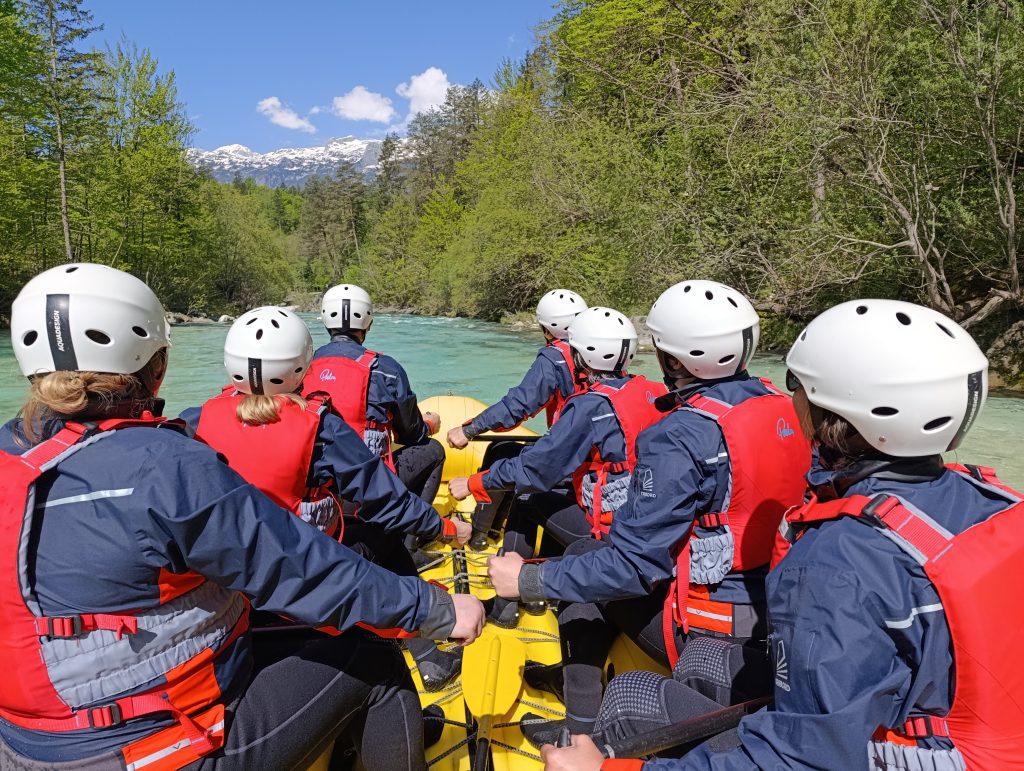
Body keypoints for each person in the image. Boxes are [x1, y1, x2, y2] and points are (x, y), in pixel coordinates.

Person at [0, 264, 485, 771]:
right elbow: (306, 570)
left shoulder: (26, 454)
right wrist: (440, 608)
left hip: (21, 744)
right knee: (371, 657)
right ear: (157, 366)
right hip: (154, 749)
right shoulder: (168, 463)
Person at [540, 298, 1024, 771]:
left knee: (630, 695)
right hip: (953, 734)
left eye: (799, 384)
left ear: (832, 409)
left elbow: (803, 754)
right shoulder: (993, 499)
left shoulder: (836, 558)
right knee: (702, 664)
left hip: (883, 751)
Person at [487, 281, 810, 746]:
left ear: (672, 359)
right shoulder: (784, 405)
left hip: (713, 628)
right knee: (587, 556)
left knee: (585, 560)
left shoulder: (680, 434)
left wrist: (526, 581)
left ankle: (578, 728)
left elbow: (631, 568)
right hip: (776, 620)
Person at [181, 306, 471, 691]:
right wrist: (447, 527)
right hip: (301, 575)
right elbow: (386, 500)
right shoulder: (320, 426)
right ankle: (428, 655)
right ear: (302, 366)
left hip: (226, 583)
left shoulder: (192, 421)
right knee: (379, 539)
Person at [450, 307, 669, 628]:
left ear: (580, 355)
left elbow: (536, 471)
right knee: (551, 491)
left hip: (611, 531)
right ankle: (541, 591)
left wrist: (474, 483)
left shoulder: (589, 405)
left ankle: (505, 605)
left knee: (527, 498)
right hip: (644, 519)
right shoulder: (655, 391)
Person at [447, 289, 589, 548]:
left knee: (505, 460)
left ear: (547, 330)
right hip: (585, 453)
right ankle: (487, 530)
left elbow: (517, 407)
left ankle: (479, 535)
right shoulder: (605, 356)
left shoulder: (554, 357)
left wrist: (469, 429)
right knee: (502, 449)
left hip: (570, 459)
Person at [303, 283, 446, 504]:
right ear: (368, 323)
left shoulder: (301, 367)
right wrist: (428, 424)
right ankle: (413, 533)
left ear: (325, 321)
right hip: (367, 485)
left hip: (316, 483)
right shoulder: (387, 369)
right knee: (434, 451)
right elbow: (411, 435)